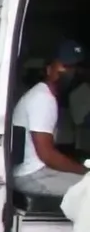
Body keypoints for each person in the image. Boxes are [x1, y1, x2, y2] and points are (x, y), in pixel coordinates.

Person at [12, 40, 89, 196]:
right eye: (65, 66)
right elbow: (47, 156)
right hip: (32, 175)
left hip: (37, 170)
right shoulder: (43, 99)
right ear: (49, 69)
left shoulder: (46, 96)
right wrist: (85, 171)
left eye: (75, 68)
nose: (70, 73)